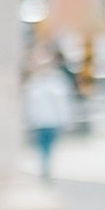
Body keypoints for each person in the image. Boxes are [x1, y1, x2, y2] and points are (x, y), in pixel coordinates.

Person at [22, 52, 73, 180]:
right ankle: (44, 167)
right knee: (43, 146)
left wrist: (65, 120)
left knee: (46, 146)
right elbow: (29, 104)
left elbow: (62, 104)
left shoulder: (54, 83)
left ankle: (45, 167)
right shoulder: (35, 84)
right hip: (40, 122)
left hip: (50, 122)